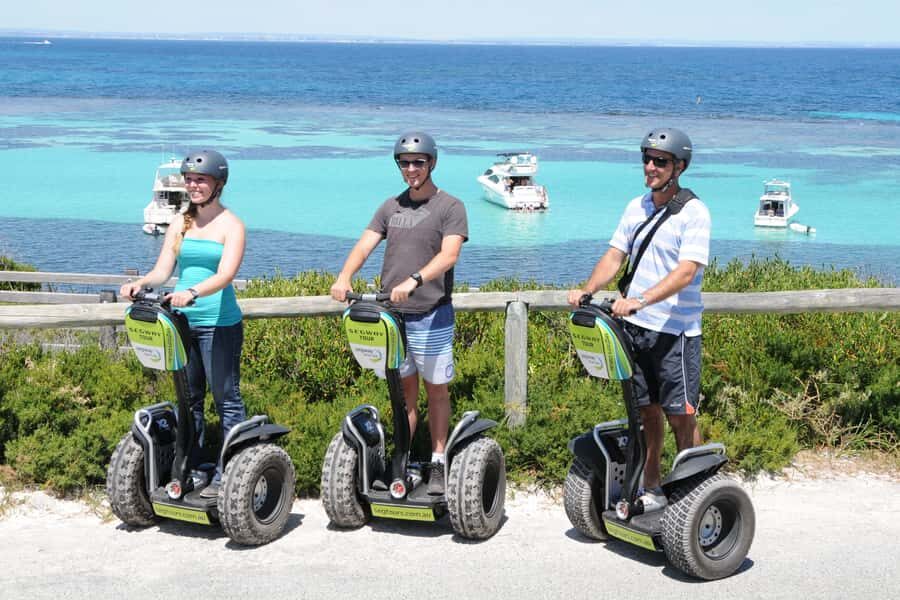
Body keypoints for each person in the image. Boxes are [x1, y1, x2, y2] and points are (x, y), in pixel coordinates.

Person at [566, 128, 711, 512]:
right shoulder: (637, 207)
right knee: (646, 412)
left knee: (680, 415)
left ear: (679, 166)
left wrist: (640, 300)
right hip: (636, 331)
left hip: (674, 333)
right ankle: (652, 485)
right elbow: (615, 256)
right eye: (646, 158)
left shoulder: (694, 213)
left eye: (660, 161)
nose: (650, 166)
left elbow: (686, 272)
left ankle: (690, 490)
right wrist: (588, 289)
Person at [330, 131, 468, 496]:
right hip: (393, 317)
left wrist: (416, 279)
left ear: (432, 163)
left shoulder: (450, 207)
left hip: (431, 313)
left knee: (435, 390)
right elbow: (365, 244)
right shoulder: (390, 207)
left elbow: (450, 254)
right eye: (405, 163)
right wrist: (344, 276)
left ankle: (438, 460)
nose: (411, 169)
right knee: (404, 393)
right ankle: (402, 460)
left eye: (418, 162)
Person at [120, 149, 247, 499]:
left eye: (200, 180)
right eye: (189, 180)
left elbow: (225, 275)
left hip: (219, 323)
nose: (193, 186)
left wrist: (192, 291)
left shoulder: (232, 225)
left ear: (218, 183)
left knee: (226, 400)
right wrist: (142, 284)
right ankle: (190, 466)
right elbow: (164, 270)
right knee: (188, 399)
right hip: (182, 322)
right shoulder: (180, 222)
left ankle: (231, 471)